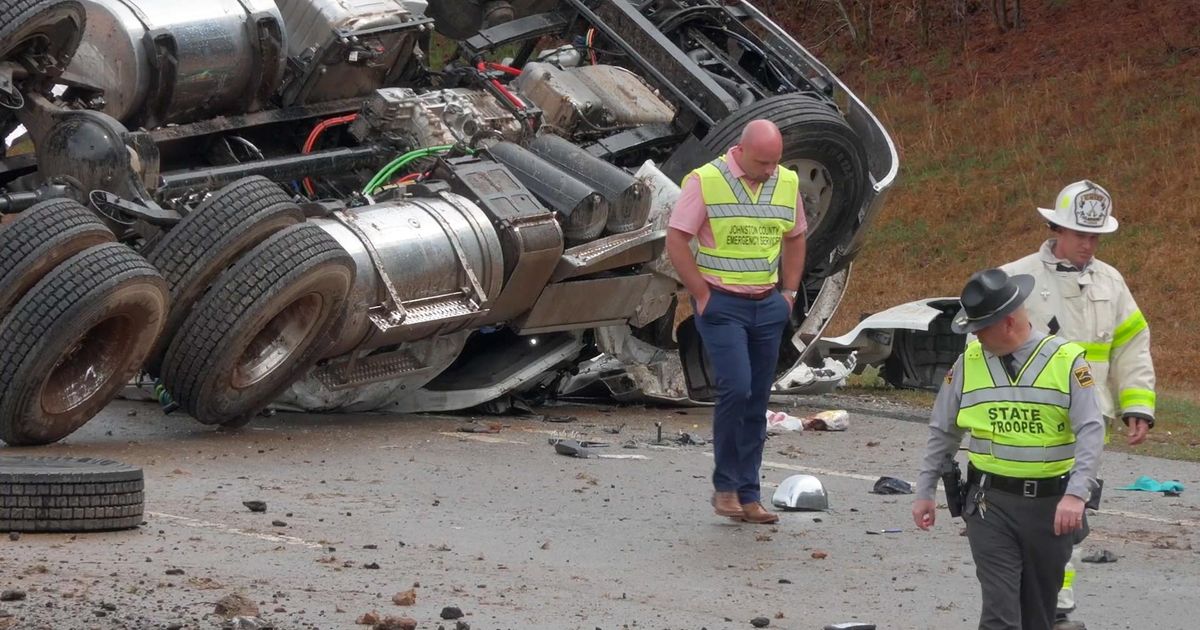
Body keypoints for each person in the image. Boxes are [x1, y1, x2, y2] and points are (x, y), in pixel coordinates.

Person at [1000, 180, 1155, 630]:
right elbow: (987, 350)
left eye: (1095, 237)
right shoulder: (1017, 278)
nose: (1088, 245)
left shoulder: (1111, 282)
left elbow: (1133, 345)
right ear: (1055, 229)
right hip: (1030, 423)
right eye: (1080, 235)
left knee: (1074, 516)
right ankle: (1026, 606)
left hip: (1089, 421)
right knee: (1028, 519)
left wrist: (1137, 405)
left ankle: (1059, 608)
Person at [912, 268, 1104, 630]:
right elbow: (943, 429)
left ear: (1009, 322)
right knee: (1000, 616)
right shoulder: (969, 362)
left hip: (1051, 508)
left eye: (980, 327)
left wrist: (1077, 495)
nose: (974, 336)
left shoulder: (1066, 361)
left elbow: (1091, 430)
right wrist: (925, 490)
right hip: (990, 505)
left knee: (1038, 617)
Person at [666, 119, 807, 524]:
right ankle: (725, 486)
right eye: (763, 162)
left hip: (768, 304)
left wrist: (789, 293)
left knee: (758, 399)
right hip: (721, 304)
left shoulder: (786, 183)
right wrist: (702, 293)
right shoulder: (705, 181)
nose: (769, 170)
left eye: (775, 162)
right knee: (737, 387)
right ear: (741, 151)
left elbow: (795, 237)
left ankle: (750, 494)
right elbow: (676, 239)